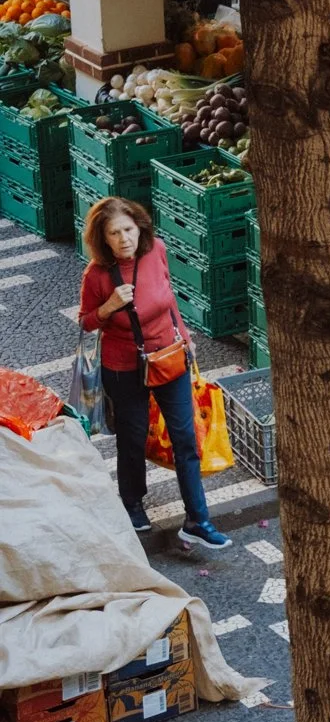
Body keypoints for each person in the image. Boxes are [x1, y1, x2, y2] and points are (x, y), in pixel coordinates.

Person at [77, 197, 230, 551]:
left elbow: (169, 296)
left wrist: (186, 338)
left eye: (128, 230)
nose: (124, 239)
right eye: (114, 233)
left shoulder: (155, 250)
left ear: (140, 228)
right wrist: (109, 306)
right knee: (131, 439)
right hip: (124, 368)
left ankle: (197, 520)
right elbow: (86, 321)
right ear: (103, 238)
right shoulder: (97, 275)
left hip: (168, 357)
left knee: (186, 438)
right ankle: (132, 503)